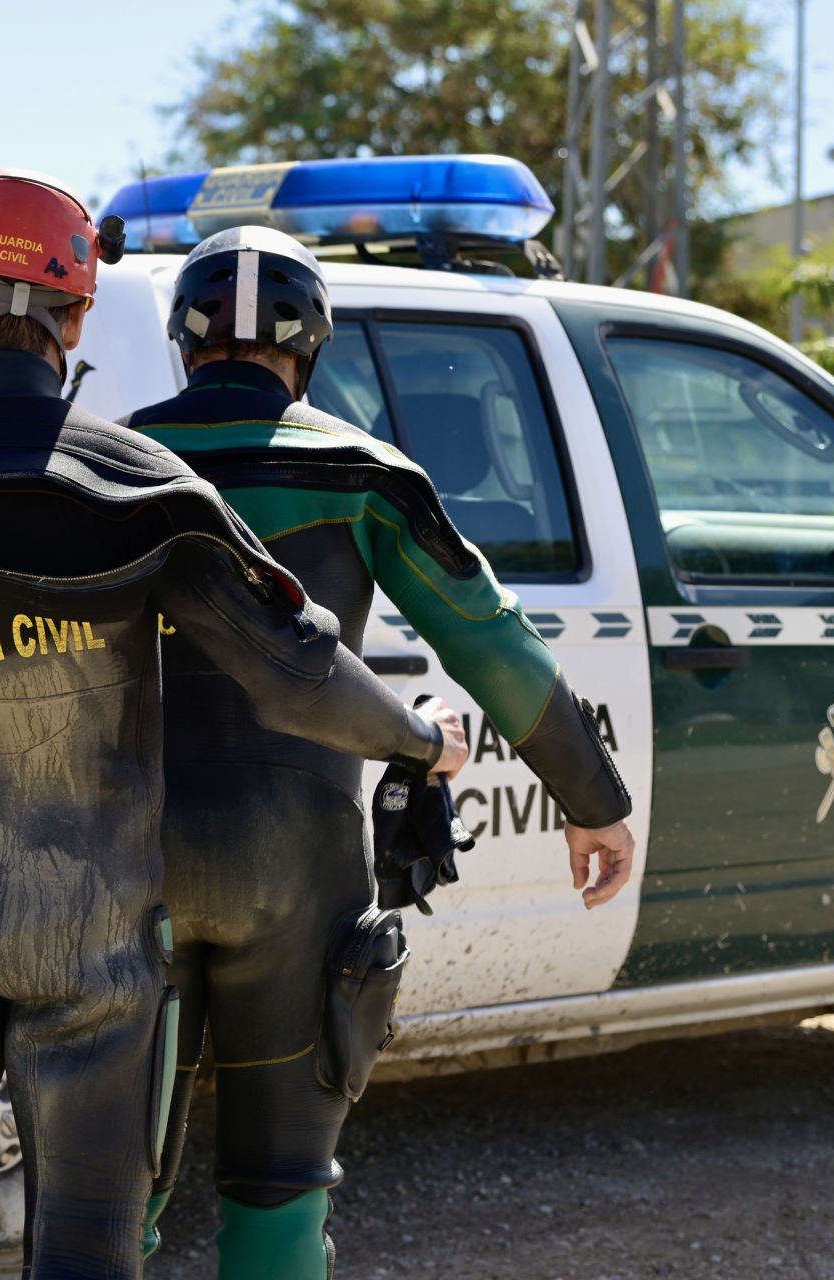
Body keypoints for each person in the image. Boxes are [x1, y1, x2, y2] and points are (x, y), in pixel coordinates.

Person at [0, 172, 467, 1279]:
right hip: (91, 956)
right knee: (87, 1246)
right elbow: (296, 678)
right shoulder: (143, 490)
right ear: (77, 320)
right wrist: (418, 740)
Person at [121, 225, 637, 1278]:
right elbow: (492, 642)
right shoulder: (363, 470)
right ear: (312, 344)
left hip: (130, 865)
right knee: (279, 1192)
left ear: (184, 339)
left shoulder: (109, 466)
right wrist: (592, 796)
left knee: (110, 1195)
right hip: (298, 870)